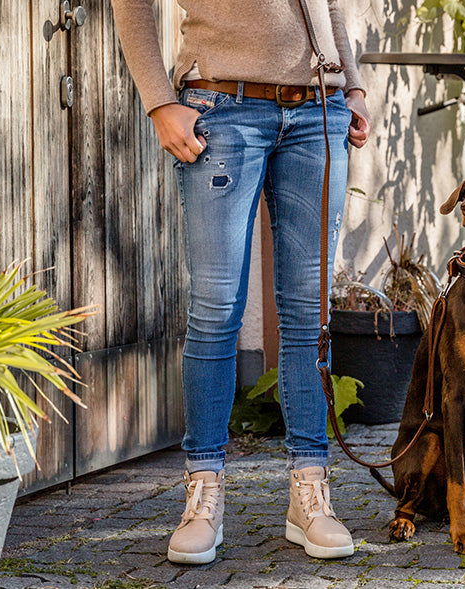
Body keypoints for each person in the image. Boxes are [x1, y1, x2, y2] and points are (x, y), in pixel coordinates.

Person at [112, 0, 372, 565]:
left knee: (309, 313)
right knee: (216, 307)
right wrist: (160, 102)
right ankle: (202, 494)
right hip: (221, 109)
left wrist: (352, 87)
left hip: (318, 115)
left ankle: (310, 494)